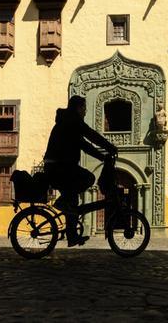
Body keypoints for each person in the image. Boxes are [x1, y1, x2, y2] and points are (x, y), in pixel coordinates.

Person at [43, 95, 117, 247]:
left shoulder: (68, 122)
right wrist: (109, 147)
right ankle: (62, 202)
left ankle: (72, 236)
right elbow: (91, 135)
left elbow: (84, 145)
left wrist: (102, 157)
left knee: (73, 203)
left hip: (61, 167)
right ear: (78, 108)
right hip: (59, 167)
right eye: (84, 108)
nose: (85, 112)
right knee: (88, 178)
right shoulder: (72, 121)